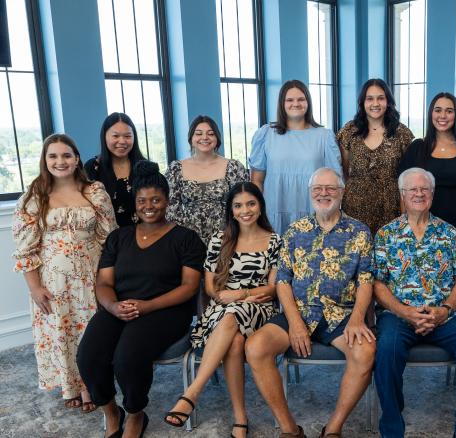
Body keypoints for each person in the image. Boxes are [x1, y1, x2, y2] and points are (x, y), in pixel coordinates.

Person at [76, 161, 205, 438]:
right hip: (119, 307)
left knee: (127, 358)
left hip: (166, 310)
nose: (149, 205)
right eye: (142, 200)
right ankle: (111, 412)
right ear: (135, 203)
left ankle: (135, 414)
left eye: (156, 200)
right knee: (88, 355)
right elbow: (104, 282)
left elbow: (188, 287)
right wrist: (112, 306)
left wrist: (147, 306)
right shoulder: (118, 238)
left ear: (167, 202)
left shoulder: (186, 239)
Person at [245, 168, 375, 438]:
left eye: (330, 188)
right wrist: (294, 322)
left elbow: (366, 281)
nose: (323, 193)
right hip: (299, 311)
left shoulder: (359, 232)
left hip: (341, 315)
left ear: (342, 192)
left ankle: (334, 428)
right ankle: (290, 429)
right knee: (256, 347)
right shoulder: (295, 231)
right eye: (317, 188)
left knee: (365, 353)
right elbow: (282, 281)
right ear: (310, 193)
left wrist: (357, 318)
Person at [373, 167, 456, 438]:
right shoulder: (386, 234)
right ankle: (392, 430)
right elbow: (378, 283)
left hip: (444, 314)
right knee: (386, 350)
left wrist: (444, 310)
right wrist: (405, 311)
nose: (418, 193)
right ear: (402, 195)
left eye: (424, 189)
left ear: (433, 194)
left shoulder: (449, 234)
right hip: (398, 315)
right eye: (412, 189)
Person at [164, 182, 280, 438]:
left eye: (251, 203)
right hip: (222, 309)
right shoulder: (219, 240)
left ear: (260, 206)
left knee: (232, 317)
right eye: (238, 205)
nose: (245, 210)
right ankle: (240, 416)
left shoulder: (275, 241)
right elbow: (210, 287)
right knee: (235, 340)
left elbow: (273, 289)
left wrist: (243, 295)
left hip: (259, 309)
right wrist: (228, 298)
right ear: (231, 210)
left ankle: (192, 393)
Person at [12, 134, 116, 413]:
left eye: (66, 155)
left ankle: (90, 386)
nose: (60, 161)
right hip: (53, 282)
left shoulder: (94, 191)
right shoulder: (34, 196)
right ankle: (71, 386)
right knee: (63, 333)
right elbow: (25, 249)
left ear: (76, 158)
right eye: (53, 156)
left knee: (90, 335)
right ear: (45, 160)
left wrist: (110, 280)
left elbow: (110, 238)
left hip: (92, 276)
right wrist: (35, 288)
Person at [249, 80, 342, 234]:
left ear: (308, 102)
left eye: (301, 99)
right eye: (290, 100)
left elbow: (335, 183)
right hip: (274, 211)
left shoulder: (324, 137)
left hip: (313, 211)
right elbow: (256, 181)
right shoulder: (265, 134)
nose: (296, 104)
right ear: (282, 103)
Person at [398, 92, 456, 238]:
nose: (443, 116)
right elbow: (403, 191)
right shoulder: (417, 148)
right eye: (438, 110)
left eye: (449, 111)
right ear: (431, 114)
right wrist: (407, 224)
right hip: (422, 226)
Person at [337, 78, 414, 234]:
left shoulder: (401, 133)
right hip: (355, 206)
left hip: (390, 207)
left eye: (381, 98)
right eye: (370, 98)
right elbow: (344, 171)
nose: (375, 103)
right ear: (362, 102)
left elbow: (408, 176)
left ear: (388, 101)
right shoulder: (349, 131)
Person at [166, 115, 249, 244]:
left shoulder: (234, 167)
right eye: (198, 134)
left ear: (217, 138)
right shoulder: (175, 168)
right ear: (191, 138)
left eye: (211, 134)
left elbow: (243, 203)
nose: (205, 138)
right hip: (186, 240)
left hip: (227, 238)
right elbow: (170, 208)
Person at [84, 112, 146, 227]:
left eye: (127, 136)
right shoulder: (92, 168)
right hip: (108, 239)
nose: (122, 141)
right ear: (105, 137)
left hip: (144, 235)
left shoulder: (144, 167)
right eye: (115, 136)